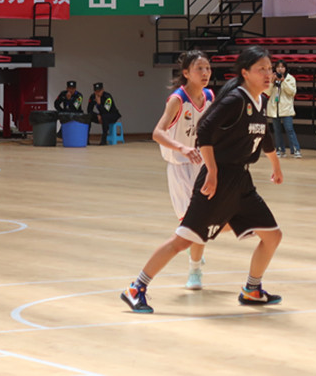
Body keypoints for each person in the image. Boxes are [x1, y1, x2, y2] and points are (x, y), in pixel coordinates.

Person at [121, 47, 285, 313]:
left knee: (272, 235)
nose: (268, 74)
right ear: (245, 73)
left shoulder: (259, 100)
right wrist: (212, 171)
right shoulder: (235, 99)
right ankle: (136, 287)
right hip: (214, 175)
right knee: (184, 239)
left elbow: (264, 134)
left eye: (270, 68)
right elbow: (205, 130)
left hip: (241, 180)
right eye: (261, 69)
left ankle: (252, 289)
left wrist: (276, 165)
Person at [151, 51, 215, 290]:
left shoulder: (209, 96)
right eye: (199, 68)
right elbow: (157, 133)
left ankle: (195, 266)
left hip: (203, 164)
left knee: (201, 221)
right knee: (192, 223)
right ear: (186, 73)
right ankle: (195, 264)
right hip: (180, 167)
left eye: (207, 68)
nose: (205, 73)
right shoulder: (177, 100)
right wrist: (182, 147)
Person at [267, 60, 302, 158]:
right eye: (278, 67)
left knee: (289, 129)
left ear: (285, 68)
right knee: (277, 130)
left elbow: (292, 92)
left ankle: (296, 150)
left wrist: (283, 81)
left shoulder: (290, 79)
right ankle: (279, 149)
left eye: (282, 67)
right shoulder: (271, 78)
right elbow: (267, 92)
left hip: (286, 108)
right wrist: (271, 82)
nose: (280, 69)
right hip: (275, 108)